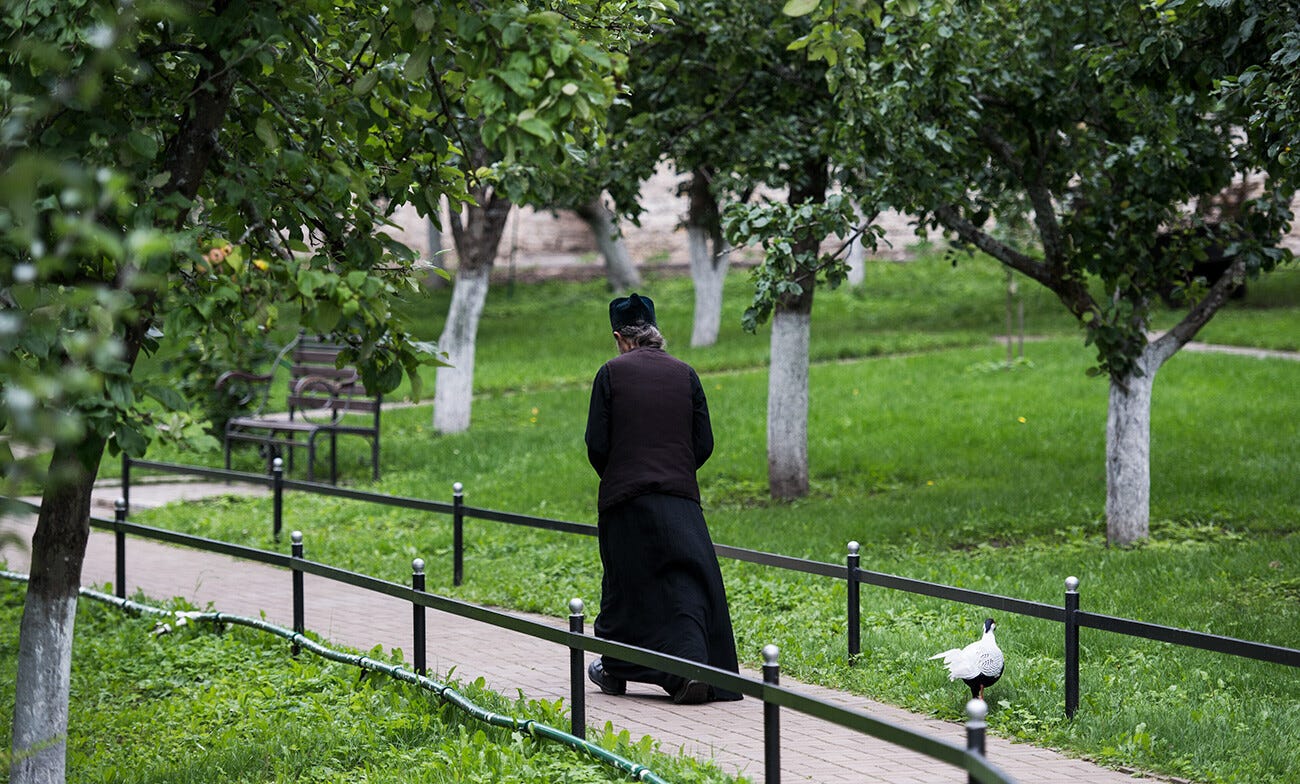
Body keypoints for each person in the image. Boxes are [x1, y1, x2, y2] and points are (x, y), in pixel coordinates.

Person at [583, 292, 742, 705]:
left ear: (620, 337)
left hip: (625, 500)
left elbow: (596, 443)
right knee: (686, 582)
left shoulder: (611, 373)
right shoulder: (686, 374)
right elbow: (703, 442)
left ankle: (617, 668)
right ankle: (692, 664)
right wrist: (676, 473)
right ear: (655, 332)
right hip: (681, 500)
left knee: (626, 587)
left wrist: (621, 474)